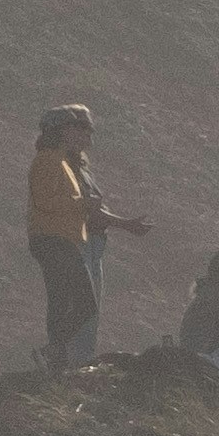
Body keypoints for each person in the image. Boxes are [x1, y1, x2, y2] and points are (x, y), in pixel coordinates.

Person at [26, 106, 142, 372]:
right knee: (82, 304)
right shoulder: (48, 161)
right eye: (73, 127)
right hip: (54, 239)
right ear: (59, 131)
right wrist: (83, 204)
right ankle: (54, 352)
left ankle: (55, 359)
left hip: (61, 238)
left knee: (63, 302)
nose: (80, 132)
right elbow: (46, 202)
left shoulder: (58, 161)